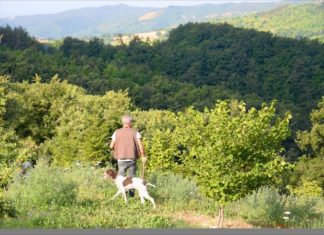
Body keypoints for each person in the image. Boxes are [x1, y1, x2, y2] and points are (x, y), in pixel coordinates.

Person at [109, 115, 147, 193]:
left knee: (121, 178)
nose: (132, 123)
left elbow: (111, 146)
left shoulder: (116, 132)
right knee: (131, 177)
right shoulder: (135, 132)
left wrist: (116, 150)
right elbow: (140, 146)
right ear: (129, 123)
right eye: (131, 122)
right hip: (132, 158)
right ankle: (131, 194)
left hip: (121, 159)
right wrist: (143, 156)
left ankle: (123, 193)